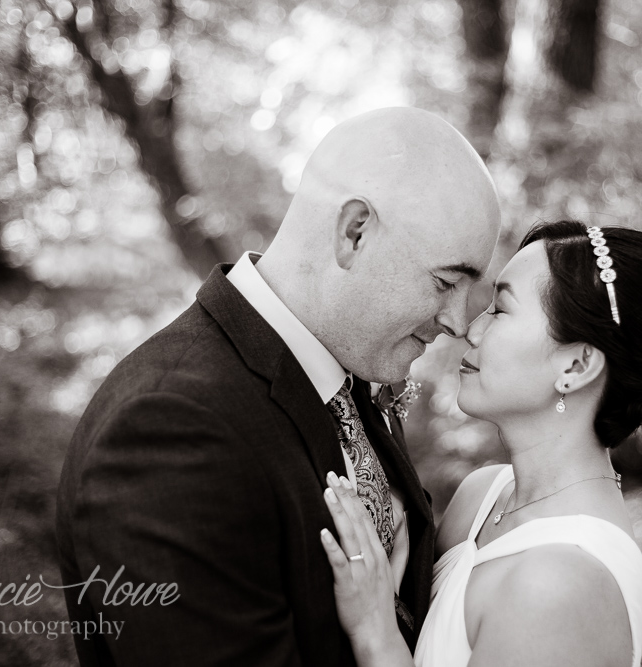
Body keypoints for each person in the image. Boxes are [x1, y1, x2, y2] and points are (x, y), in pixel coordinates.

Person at [55, 107, 502, 666]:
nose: (459, 322)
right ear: (354, 232)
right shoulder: (171, 430)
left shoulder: (349, 370)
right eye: (444, 282)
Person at [319, 220, 642, 667]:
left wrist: (375, 630)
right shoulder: (480, 496)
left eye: (500, 310)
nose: (469, 328)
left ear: (577, 365)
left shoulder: (559, 584)